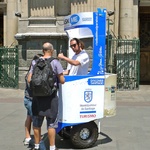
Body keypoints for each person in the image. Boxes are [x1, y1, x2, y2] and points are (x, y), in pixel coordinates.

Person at [28, 42, 65, 150]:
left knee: (36, 122)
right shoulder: (55, 62)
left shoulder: (35, 61)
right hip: (50, 97)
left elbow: (29, 79)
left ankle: (37, 145)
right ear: (52, 50)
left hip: (37, 98)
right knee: (51, 123)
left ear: (43, 50)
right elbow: (62, 80)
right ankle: (52, 147)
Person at [23, 54, 43, 146]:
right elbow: (31, 84)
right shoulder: (32, 73)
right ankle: (37, 142)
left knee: (29, 118)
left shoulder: (30, 72)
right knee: (36, 121)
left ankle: (27, 137)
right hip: (31, 100)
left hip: (28, 99)